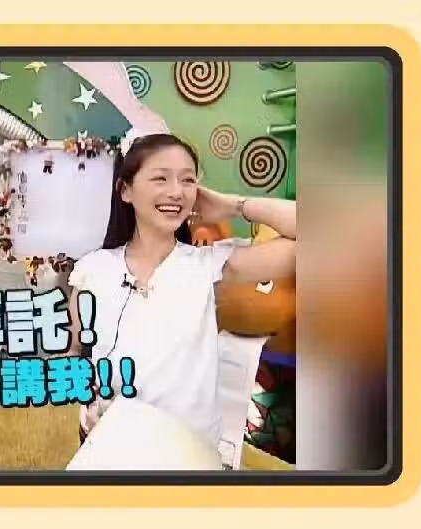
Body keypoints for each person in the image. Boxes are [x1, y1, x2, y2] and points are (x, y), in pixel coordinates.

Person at [67, 133, 296, 450]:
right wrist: (84, 403)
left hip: (187, 455)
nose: (176, 192)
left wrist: (232, 205)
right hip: (107, 447)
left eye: (188, 180)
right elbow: (73, 353)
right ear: (125, 190)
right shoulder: (92, 270)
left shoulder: (211, 266)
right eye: (160, 178)